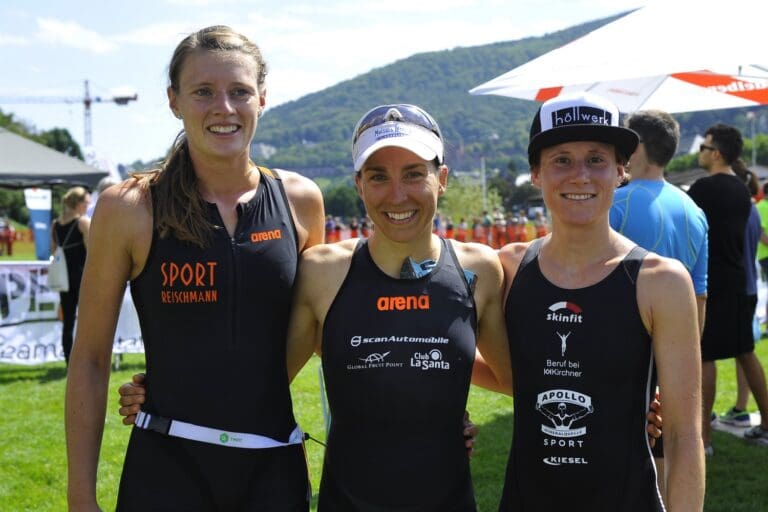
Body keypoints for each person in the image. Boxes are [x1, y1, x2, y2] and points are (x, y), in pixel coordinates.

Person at [65, 25, 325, 511]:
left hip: (273, 467)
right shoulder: (130, 207)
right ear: (174, 100)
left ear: (262, 99)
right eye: (203, 91)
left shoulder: (301, 201)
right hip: (167, 469)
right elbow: (91, 357)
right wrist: (81, 497)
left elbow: (313, 333)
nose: (223, 108)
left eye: (240, 92)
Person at [496, 92, 704, 510]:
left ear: (621, 170)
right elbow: (504, 371)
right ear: (536, 173)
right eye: (561, 160)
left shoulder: (661, 282)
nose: (580, 175)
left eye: (596, 159)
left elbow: (683, 437)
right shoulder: (509, 269)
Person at [609, 109, 708, 498]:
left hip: (621, 346)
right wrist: (688, 357)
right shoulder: (694, 211)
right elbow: (699, 294)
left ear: (636, 149)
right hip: (673, 348)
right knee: (667, 443)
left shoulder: (615, 204)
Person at [688, 124, 768, 450]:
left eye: (704, 147)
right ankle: (766, 424)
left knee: (705, 356)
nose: (700, 152)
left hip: (714, 283)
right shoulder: (741, 189)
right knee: (745, 353)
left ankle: (704, 439)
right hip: (739, 283)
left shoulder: (703, 189)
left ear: (716, 153)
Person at [718, 159, 767, 428]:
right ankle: (740, 406)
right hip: (748, 286)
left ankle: (739, 410)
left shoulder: (741, 211)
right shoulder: (751, 209)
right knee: (744, 352)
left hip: (737, 288)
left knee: (741, 353)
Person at [50, 186, 91, 365]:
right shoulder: (83, 222)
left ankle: (69, 361)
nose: (88, 205)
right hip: (83, 277)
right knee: (87, 322)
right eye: (87, 202)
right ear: (79, 203)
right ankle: (85, 362)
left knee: (68, 322)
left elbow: (53, 250)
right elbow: (92, 252)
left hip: (64, 278)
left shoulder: (55, 224)